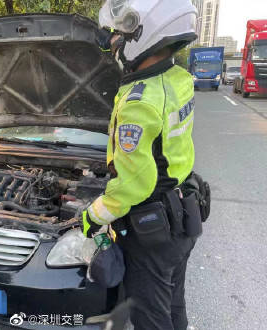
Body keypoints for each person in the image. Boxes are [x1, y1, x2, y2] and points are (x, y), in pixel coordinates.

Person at [81, 1, 203, 329]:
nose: (116, 41)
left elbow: (135, 183)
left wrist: (91, 217)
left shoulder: (140, 102)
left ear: (147, 36)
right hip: (183, 210)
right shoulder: (179, 79)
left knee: (150, 317)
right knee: (174, 302)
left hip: (153, 230)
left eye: (122, 33)